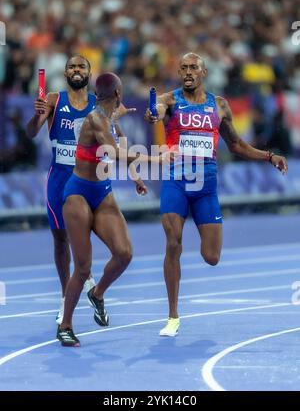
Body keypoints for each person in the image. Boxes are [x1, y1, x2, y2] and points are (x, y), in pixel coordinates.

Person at [145, 52, 288, 337]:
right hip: (175, 182)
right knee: (173, 244)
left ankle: (199, 255)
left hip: (206, 188)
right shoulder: (170, 100)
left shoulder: (219, 105)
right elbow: (157, 110)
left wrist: (268, 156)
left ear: (204, 72)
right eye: (183, 67)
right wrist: (154, 113)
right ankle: (172, 316)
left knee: (212, 256)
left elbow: (236, 145)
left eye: (193, 68)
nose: (187, 72)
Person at [26, 56, 135, 324]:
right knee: (61, 239)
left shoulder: (99, 106)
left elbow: (119, 138)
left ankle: (91, 286)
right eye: (72, 67)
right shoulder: (53, 99)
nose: (77, 70)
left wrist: (135, 174)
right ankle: (67, 297)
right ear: (65, 73)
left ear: (89, 72)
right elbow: (30, 133)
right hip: (61, 178)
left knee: (95, 248)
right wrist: (38, 116)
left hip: (90, 181)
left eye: (81, 67)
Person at [57, 72, 152, 346]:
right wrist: (156, 157)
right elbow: (115, 152)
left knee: (124, 253)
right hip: (78, 195)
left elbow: (121, 148)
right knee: (83, 267)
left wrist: (135, 176)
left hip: (103, 193)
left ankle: (97, 294)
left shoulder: (110, 120)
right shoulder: (96, 119)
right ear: (119, 94)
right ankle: (65, 325)